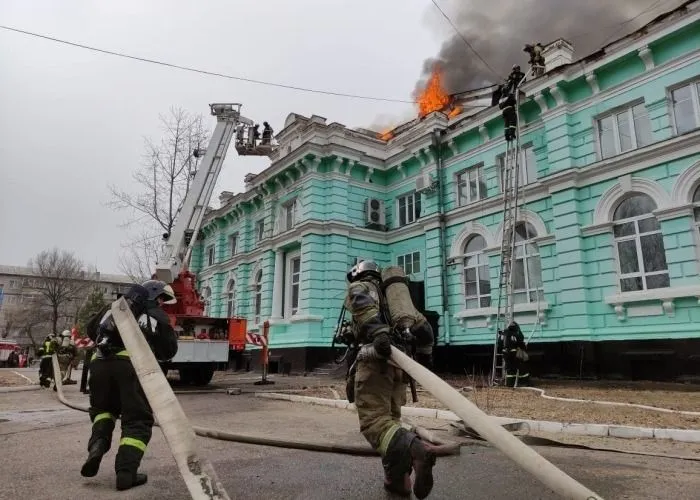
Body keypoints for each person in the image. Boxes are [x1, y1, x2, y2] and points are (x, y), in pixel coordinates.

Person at [343, 260, 437, 499]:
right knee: (391, 424)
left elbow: (359, 301)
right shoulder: (398, 302)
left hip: (374, 362)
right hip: (400, 368)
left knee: (375, 423)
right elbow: (425, 330)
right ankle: (398, 482)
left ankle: (416, 449)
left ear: (358, 273)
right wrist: (424, 359)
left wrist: (378, 332)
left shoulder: (362, 286)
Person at [80, 280, 178, 491]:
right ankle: (126, 473)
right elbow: (169, 350)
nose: (162, 304)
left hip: (99, 365)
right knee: (137, 420)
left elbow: (90, 330)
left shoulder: (114, 307)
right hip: (131, 367)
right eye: (162, 299)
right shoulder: (156, 315)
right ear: (155, 296)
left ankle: (98, 444)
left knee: (103, 411)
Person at [501, 321, 530, 387]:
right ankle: (524, 383)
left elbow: (500, 342)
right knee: (522, 368)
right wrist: (524, 347)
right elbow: (520, 341)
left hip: (505, 353)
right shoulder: (516, 333)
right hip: (514, 354)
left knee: (510, 370)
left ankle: (509, 384)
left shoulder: (503, 333)